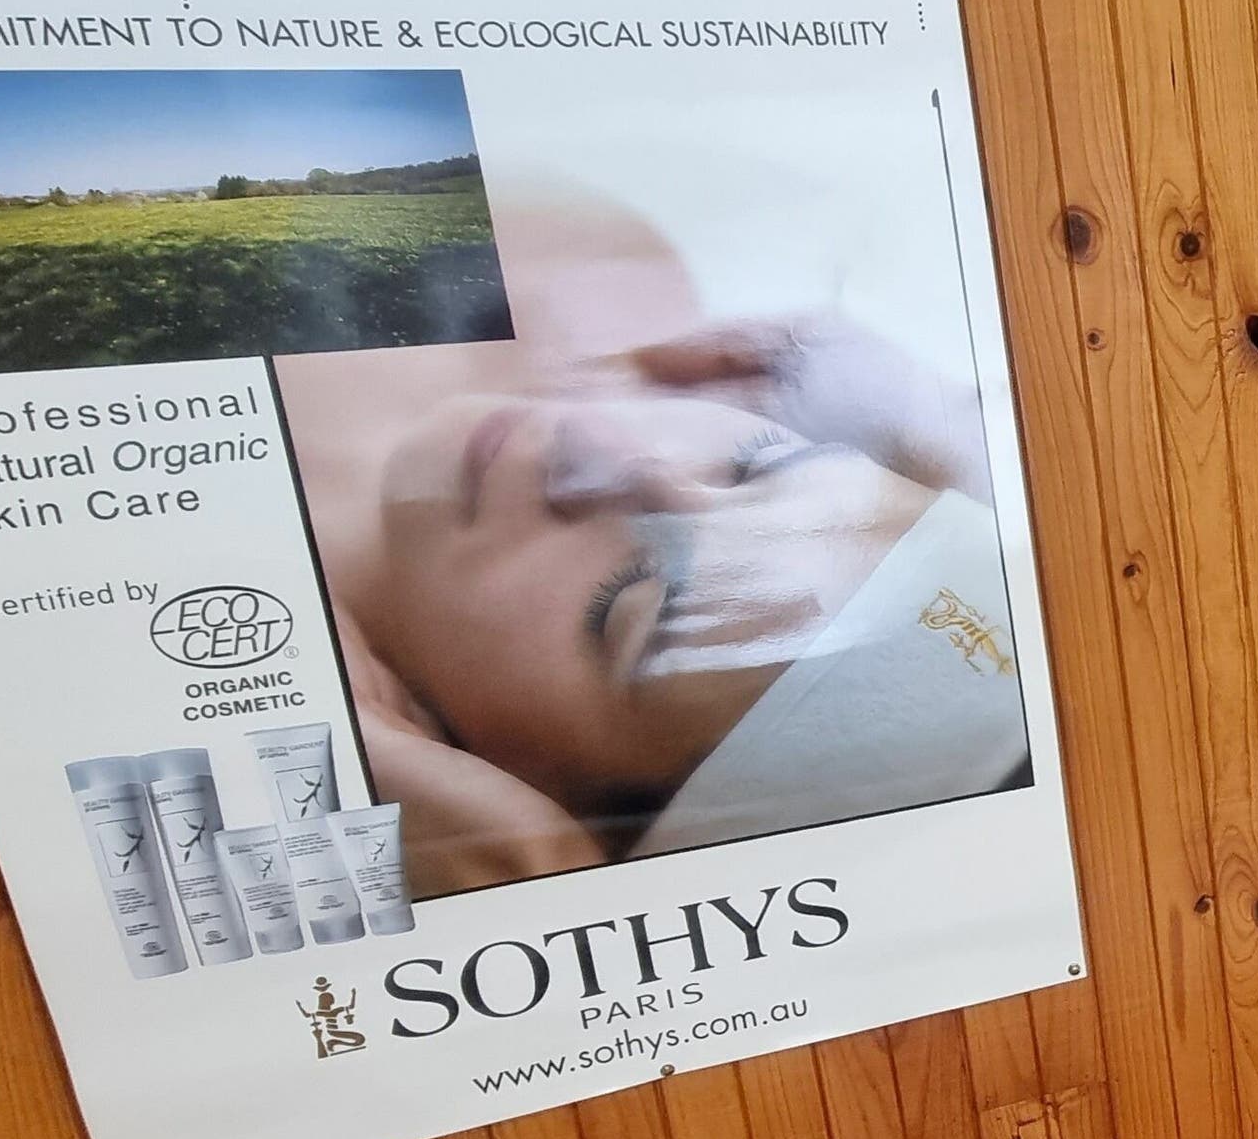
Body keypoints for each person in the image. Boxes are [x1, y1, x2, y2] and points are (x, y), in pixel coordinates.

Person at [279, 184, 1020, 895]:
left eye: (624, 603)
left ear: (538, 793)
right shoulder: (578, 268)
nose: (599, 450)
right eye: (756, 462)